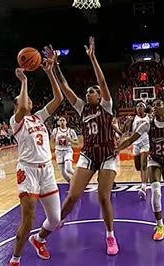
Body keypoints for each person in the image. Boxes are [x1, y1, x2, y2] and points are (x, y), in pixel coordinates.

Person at [41, 38, 120, 255]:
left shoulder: (106, 105)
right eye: (87, 92)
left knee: (104, 197)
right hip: (88, 155)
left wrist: (93, 58)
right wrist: (55, 66)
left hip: (107, 156)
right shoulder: (82, 108)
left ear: (99, 95)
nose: (88, 93)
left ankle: (110, 236)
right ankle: (54, 225)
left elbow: (103, 83)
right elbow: (65, 88)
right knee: (73, 196)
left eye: (91, 91)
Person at [8, 59, 63, 266]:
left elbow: (58, 98)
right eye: (24, 100)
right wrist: (23, 81)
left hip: (47, 171)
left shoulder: (39, 118)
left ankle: (38, 240)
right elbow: (22, 105)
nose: (28, 101)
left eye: (30, 99)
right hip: (28, 171)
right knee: (29, 218)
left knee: (55, 219)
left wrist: (50, 72)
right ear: (16, 106)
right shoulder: (16, 121)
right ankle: (15, 259)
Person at [117, 99, 164, 241]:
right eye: (154, 106)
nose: (155, 107)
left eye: (159, 105)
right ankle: (160, 226)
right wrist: (116, 149)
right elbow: (130, 140)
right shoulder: (147, 125)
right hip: (154, 160)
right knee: (156, 193)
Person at [124, 101, 150, 199]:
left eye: (141, 106)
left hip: (145, 143)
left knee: (144, 165)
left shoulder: (149, 118)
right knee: (138, 167)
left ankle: (144, 186)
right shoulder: (132, 119)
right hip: (136, 144)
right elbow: (125, 131)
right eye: (138, 106)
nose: (139, 107)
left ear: (144, 108)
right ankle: (145, 177)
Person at [51, 117, 78, 184]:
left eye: (63, 120)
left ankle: (79, 179)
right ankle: (71, 183)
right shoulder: (55, 130)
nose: (62, 121)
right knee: (63, 173)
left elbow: (77, 142)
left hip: (67, 151)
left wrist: (70, 140)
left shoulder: (71, 131)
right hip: (59, 152)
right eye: (60, 120)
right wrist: (54, 142)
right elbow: (52, 140)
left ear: (66, 122)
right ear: (58, 122)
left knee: (68, 169)